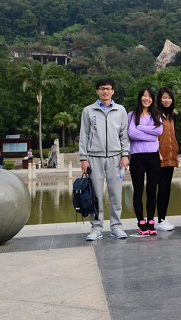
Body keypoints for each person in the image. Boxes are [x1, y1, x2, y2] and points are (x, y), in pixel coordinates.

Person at [79, 78, 130, 241]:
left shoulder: (120, 110)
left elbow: (124, 135)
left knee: (116, 194)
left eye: (108, 88)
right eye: (102, 88)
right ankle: (96, 228)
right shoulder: (88, 110)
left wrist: (125, 155)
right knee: (96, 196)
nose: (105, 91)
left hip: (115, 158)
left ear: (113, 91)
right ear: (97, 91)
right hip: (94, 157)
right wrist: (83, 158)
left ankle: (116, 226)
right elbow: (84, 135)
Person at [128, 87, 163, 235]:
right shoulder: (131, 115)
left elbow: (159, 131)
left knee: (151, 190)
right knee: (138, 190)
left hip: (153, 156)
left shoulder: (156, 115)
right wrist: (150, 135)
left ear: (152, 99)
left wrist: (140, 128)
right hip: (137, 156)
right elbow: (131, 133)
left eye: (149, 96)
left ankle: (150, 220)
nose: (146, 99)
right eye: (144, 96)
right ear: (140, 98)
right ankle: (141, 221)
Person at [156, 87, 178, 232]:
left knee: (166, 189)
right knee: (156, 188)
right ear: (159, 99)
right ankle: (155, 219)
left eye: (169, 98)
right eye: (164, 97)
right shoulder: (154, 115)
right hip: (158, 156)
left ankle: (162, 218)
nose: (167, 100)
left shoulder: (171, 115)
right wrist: (156, 151)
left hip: (170, 156)